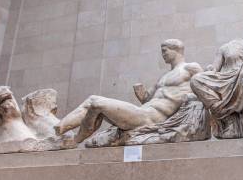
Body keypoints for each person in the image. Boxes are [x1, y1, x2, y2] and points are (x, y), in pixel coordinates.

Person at [54, 39, 202, 143]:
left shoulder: (191, 67)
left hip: (150, 119)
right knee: (92, 102)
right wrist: (141, 92)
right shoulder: (164, 77)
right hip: (142, 112)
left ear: (176, 50)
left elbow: (206, 85)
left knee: (96, 102)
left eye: (165, 51)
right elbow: (147, 100)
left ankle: (75, 140)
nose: (163, 55)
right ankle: (58, 130)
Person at [190, 37, 243, 138]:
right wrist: (210, 69)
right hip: (227, 78)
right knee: (196, 79)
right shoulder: (224, 48)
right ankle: (224, 115)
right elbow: (215, 68)